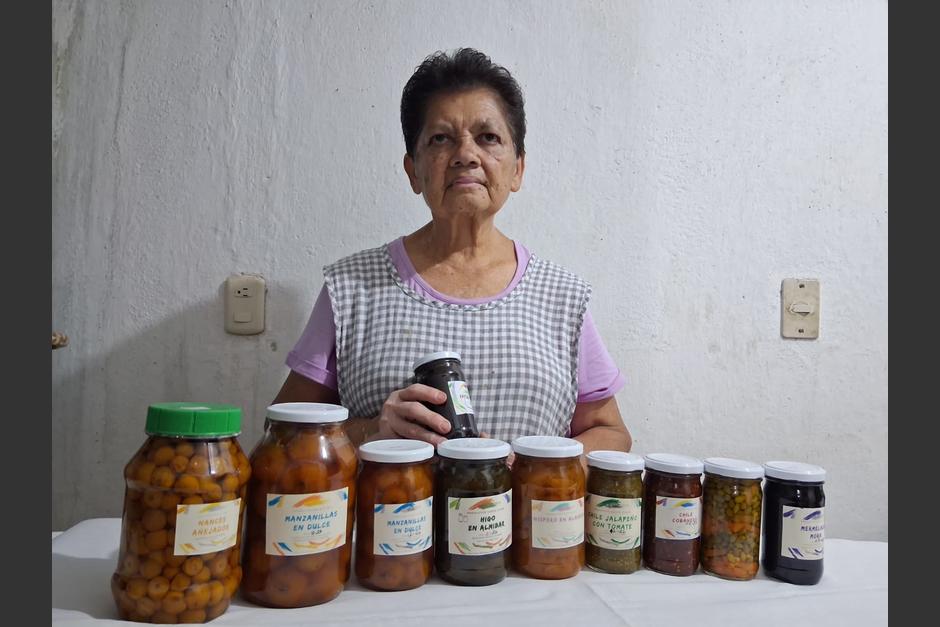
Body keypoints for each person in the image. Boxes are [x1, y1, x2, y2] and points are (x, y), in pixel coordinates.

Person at [273, 48, 631, 459]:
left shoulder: (562, 297)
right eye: (441, 138)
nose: (466, 154)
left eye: (488, 137)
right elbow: (282, 437)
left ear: (517, 169)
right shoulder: (352, 289)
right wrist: (371, 430)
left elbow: (610, 433)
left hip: (524, 525)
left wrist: (530, 467)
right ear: (413, 171)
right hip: (387, 521)